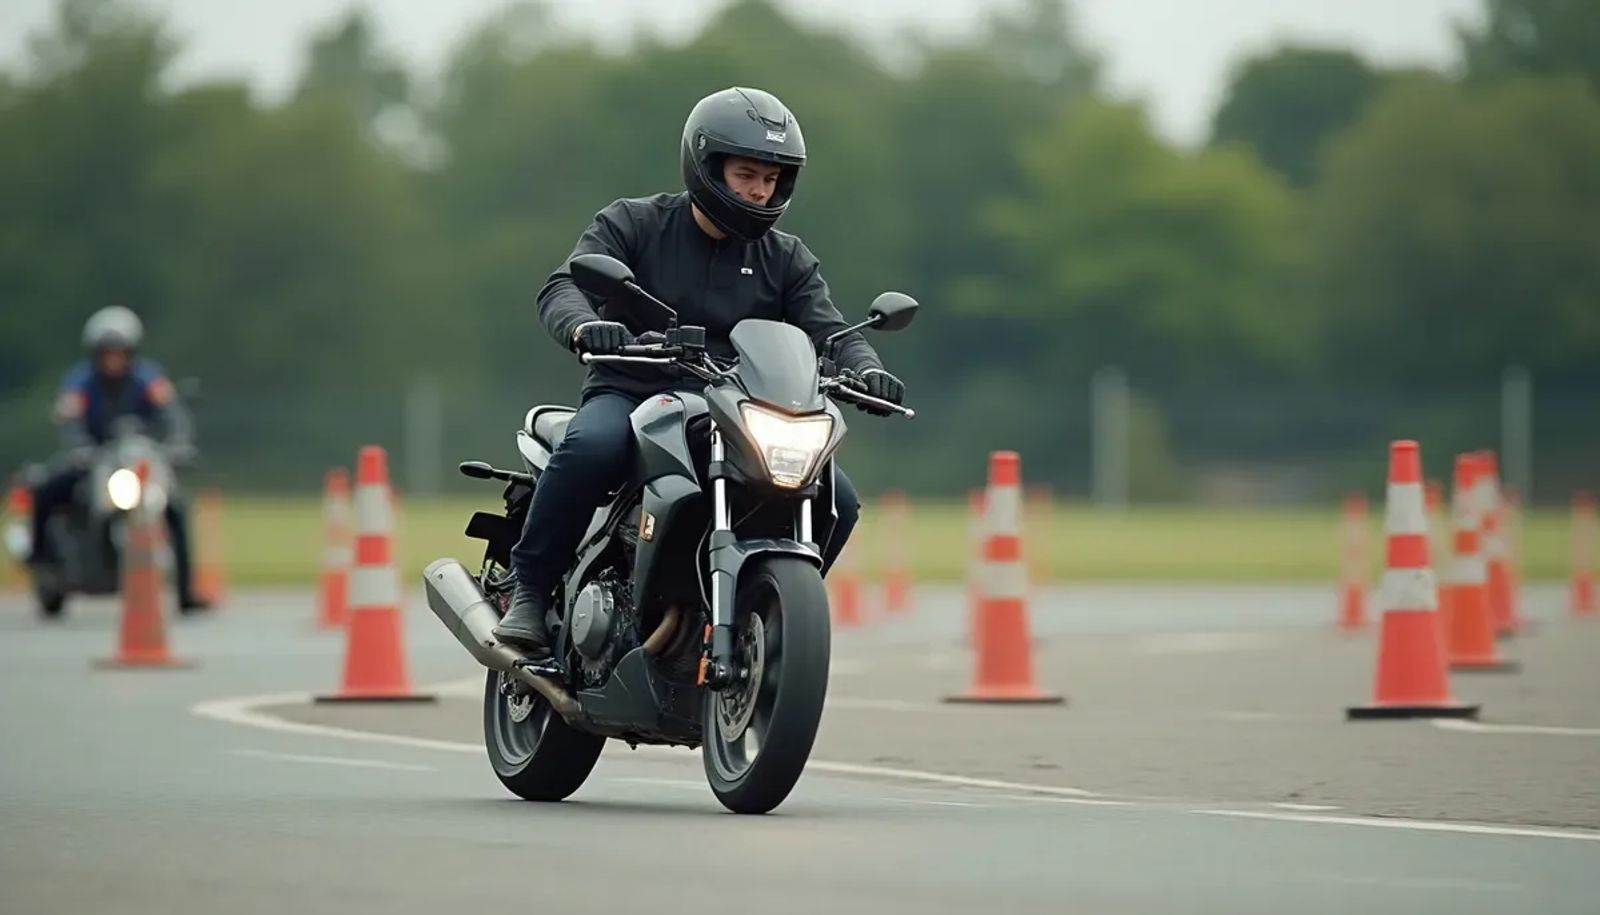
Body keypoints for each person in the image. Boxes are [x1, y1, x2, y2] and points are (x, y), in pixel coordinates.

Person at [494, 86, 907, 654]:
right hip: (633, 393)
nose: (759, 191)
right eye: (746, 175)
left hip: (739, 410)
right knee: (591, 447)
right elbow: (564, 285)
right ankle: (531, 591)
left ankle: (768, 615)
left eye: (772, 178)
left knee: (840, 499)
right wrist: (587, 327)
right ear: (707, 166)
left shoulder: (786, 258)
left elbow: (829, 331)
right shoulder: (635, 222)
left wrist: (866, 368)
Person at [28, 305, 212, 611]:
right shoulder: (80, 380)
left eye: (119, 353)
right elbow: (71, 418)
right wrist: (79, 446)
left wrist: (179, 444)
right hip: (92, 459)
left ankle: (185, 592)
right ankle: (42, 561)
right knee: (47, 490)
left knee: (175, 508)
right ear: (96, 354)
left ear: (130, 353)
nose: (113, 360)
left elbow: (173, 414)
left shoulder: (147, 378)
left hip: (136, 461)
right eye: (106, 353)